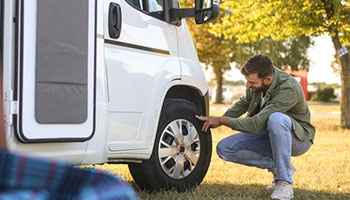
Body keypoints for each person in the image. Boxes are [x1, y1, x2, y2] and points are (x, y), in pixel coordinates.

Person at [196, 54, 315, 200]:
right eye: (246, 81)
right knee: (225, 148)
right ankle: (279, 167)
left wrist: (221, 120)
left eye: (251, 82)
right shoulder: (257, 84)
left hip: (298, 139)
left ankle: (284, 183)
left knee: (276, 119)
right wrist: (215, 120)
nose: (247, 85)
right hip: (269, 134)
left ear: (268, 80)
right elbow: (243, 104)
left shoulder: (288, 88)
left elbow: (255, 124)